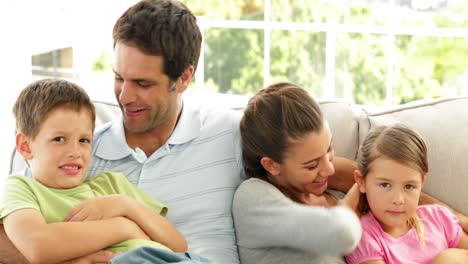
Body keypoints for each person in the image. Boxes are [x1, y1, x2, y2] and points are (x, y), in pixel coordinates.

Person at [1, 0, 467, 263]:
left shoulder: (229, 133)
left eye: (143, 83)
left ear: (185, 77)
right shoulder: (83, 151)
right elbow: (19, 234)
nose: (124, 96)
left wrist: (444, 216)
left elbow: (358, 174)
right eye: (119, 78)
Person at [0, 78, 191, 264]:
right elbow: (37, 246)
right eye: (59, 139)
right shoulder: (21, 188)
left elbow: (178, 246)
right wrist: (123, 227)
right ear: (25, 146)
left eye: (84, 140)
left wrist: (125, 205)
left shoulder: (112, 185)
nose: (75, 152)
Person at [232, 82, 363, 264]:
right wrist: (347, 207)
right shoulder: (252, 197)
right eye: (311, 165)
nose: (329, 169)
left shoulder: (320, 189)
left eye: (329, 149)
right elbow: (344, 234)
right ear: (271, 165)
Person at [346, 125, 468, 264]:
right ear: (361, 182)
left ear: (422, 183)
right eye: (385, 185)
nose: (398, 200)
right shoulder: (363, 237)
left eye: (409, 186)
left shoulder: (439, 219)